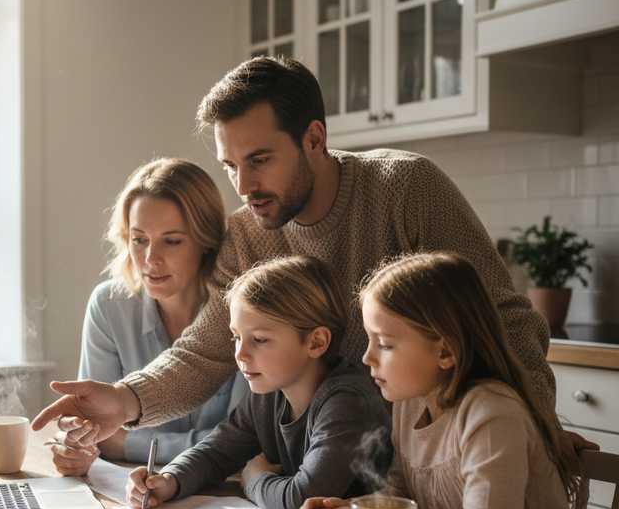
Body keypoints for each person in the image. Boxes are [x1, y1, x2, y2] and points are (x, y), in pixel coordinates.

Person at [32, 57, 591, 465]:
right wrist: (125, 399)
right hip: (335, 473)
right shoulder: (246, 236)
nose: (244, 186)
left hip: (444, 457)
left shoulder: (404, 188)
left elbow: (506, 320)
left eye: (260, 160)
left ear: (314, 138)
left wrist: (535, 424)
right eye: (230, 166)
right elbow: (204, 352)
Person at [296, 252, 593, 509]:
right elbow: (399, 495)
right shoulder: (410, 405)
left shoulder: (492, 412)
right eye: (370, 340)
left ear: (445, 351)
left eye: (385, 344)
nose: (367, 357)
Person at [124, 256, 391, 509]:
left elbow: (302, 502)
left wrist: (254, 479)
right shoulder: (269, 394)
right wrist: (169, 480)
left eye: (260, 339)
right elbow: (217, 452)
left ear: (316, 342)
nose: (240, 354)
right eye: (236, 337)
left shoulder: (347, 402)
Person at [48, 158, 247, 476]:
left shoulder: (244, 311)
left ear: (206, 241)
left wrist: (126, 443)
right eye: (139, 240)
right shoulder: (109, 306)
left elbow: (241, 444)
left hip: (227, 491)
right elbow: (95, 431)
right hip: (130, 489)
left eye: (172, 241)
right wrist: (77, 445)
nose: (151, 259)